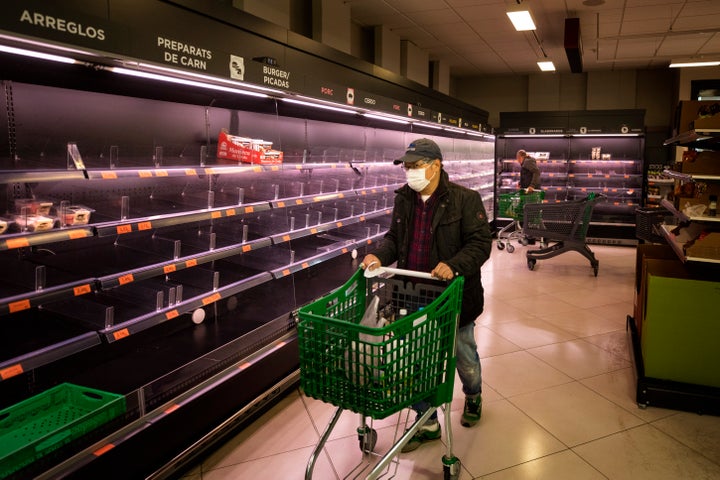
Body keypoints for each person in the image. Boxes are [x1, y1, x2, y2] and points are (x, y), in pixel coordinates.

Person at [361, 138, 492, 452]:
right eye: (407, 165)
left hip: (452, 298)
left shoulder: (465, 199)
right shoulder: (404, 199)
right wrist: (378, 256)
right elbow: (394, 238)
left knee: (464, 355)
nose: (410, 172)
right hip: (411, 293)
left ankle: (473, 396)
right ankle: (428, 421)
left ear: (437, 166)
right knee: (417, 361)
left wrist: (454, 264)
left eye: (416, 165)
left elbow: (480, 244)